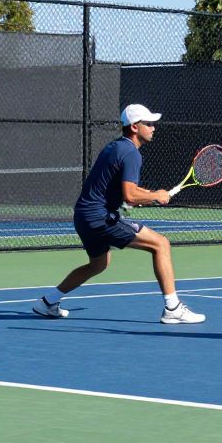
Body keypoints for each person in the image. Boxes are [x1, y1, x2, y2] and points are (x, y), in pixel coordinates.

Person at [31, 104, 205, 323]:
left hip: (83, 216)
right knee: (160, 244)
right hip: (99, 216)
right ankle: (173, 308)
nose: (154, 128)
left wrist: (153, 194)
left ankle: (47, 302)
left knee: (98, 264)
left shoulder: (115, 147)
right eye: (148, 124)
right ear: (134, 127)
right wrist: (155, 196)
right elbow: (131, 196)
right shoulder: (131, 153)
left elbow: (123, 190)